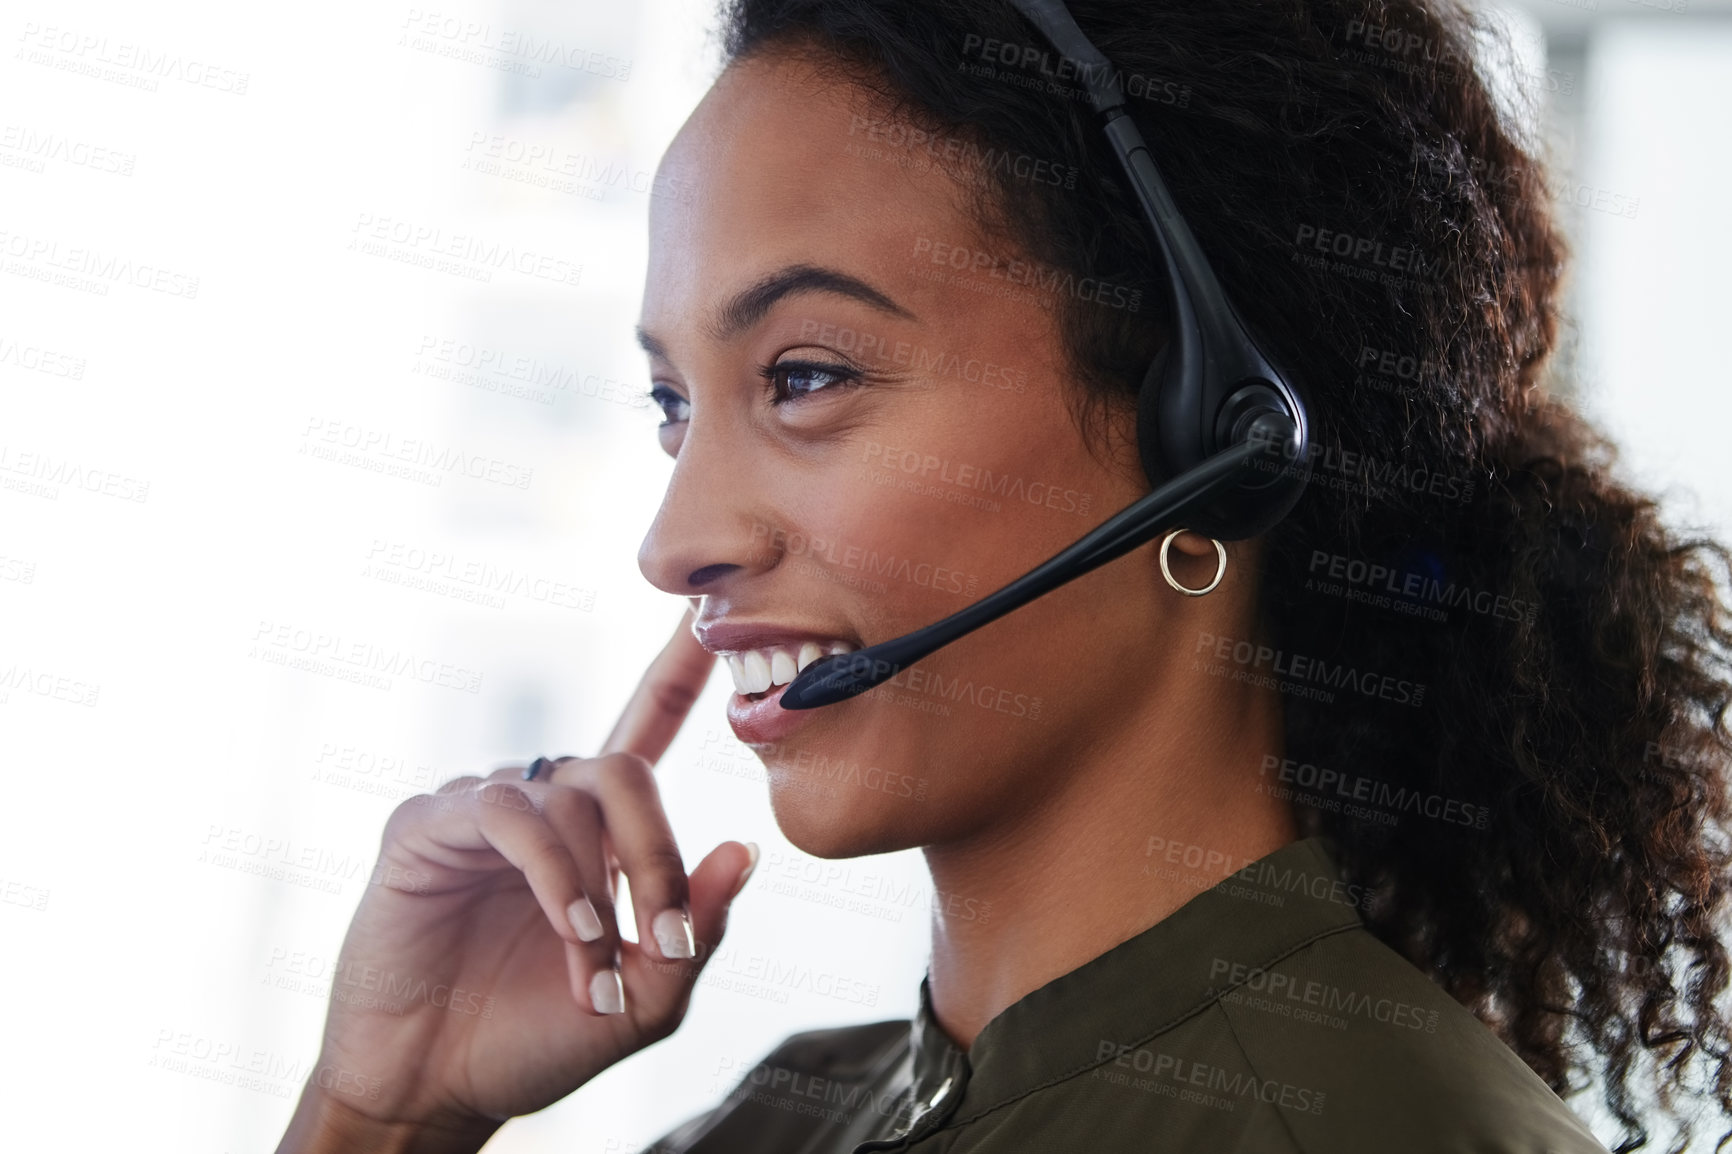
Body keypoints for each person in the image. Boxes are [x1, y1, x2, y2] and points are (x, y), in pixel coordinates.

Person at [275, 0, 1732, 1151]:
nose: (676, 540)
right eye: (673, 403)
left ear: (1208, 432)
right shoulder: (781, 1121)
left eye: (803, 376)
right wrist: (384, 1113)